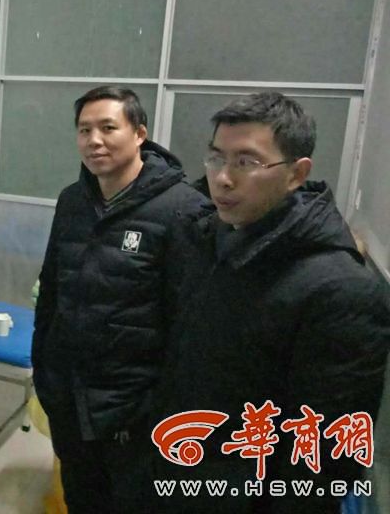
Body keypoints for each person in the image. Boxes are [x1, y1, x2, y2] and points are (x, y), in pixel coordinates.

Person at [150, 92, 390, 513]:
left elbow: (321, 460)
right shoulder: (212, 239)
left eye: (247, 162)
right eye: (216, 158)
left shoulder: (343, 290)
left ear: (297, 174)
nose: (223, 178)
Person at [32, 86, 207, 513]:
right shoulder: (72, 201)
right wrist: (45, 372)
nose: (94, 140)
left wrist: (159, 410)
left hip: (134, 415)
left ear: (139, 133)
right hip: (71, 401)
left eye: (108, 128)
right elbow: (51, 292)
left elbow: (190, 325)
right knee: (81, 500)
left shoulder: (183, 209)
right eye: (84, 130)